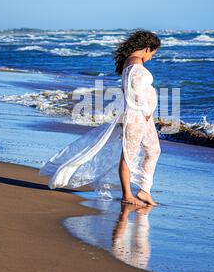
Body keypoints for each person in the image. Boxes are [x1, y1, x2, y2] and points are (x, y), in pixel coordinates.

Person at [39, 29, 161, 207]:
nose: (152, 57)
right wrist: (145, 109)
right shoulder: (135, 65)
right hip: (136, 116)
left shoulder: (132, 62)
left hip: (142, 117)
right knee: (128, 155)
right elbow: (133, 90)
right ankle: (128, 194)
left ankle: (144, 190)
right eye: (153, 54)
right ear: (147, 48)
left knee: (153, 150)